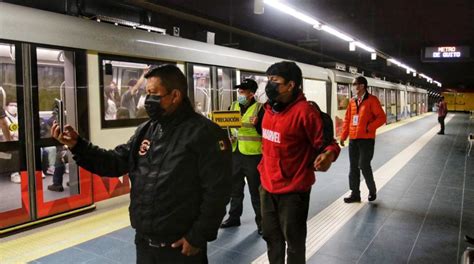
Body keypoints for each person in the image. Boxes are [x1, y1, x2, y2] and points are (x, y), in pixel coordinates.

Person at [51, 64, 232, 263]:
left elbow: (218, 192)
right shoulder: (146, 131)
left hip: (181, 248)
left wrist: (198, 237)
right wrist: (78, 146)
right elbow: (115, 162)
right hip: (145, 244)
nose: (148, 100)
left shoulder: (205, 133)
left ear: (175, 96)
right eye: (147, 93)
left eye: (154, 94)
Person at [258, 61, 341, 264]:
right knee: (272, 238)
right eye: (268, 80)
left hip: (293, 191)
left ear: (291, 85)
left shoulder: (305, 112)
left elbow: (328, 144)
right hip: (267, 186)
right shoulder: (267, 109)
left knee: (294, 243)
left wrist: (328, 155)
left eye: (275, 80)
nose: (269, 85)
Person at [220, 79, 264, 234]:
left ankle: (262, 224)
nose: (240, 94)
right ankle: (233, 218)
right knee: (235, 188)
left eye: (243, 91)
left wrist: (258, 124)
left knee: (256, 191)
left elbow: (266, 132)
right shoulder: (232, 107)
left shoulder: (260, 109)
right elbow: (226, 127)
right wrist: (228, 137)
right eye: (239, 91)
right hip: (235, 153)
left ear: (251, 94)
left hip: (253, 155)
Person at [339, 76, 386, 203]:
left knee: (364, 165)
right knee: (353, 167)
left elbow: (382, 118)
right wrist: (343, 136)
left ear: (362, 86)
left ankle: (372, 190)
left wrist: (368, 128)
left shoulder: (372, 100)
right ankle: (355, 194)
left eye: (355, 84)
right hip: (354, 139)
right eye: (353, 85)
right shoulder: (352, 101)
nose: (353, 87)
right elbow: (347, 119)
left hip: (366, 139)